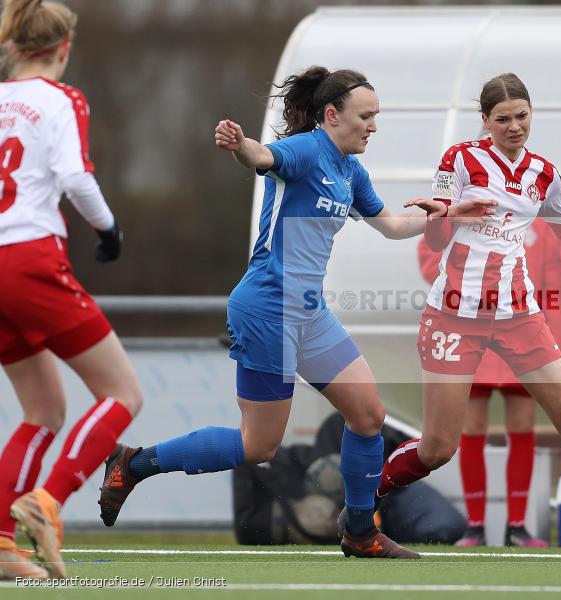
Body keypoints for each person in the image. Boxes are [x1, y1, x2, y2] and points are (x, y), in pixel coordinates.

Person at [96, 66, 494, 561]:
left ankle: (359, 532)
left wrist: (449, 213)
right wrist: (241, 144)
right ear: (332, 115)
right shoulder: (307, 149)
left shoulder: (351, 170)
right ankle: (134, 464)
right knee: (259, 446)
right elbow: (263, 156)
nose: (374, 126)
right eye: (366, 116)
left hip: (309, 312)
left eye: (377, 117)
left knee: (368, 415)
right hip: (266, 307)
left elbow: (389, 224)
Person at [375, 73, 561, 561]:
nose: (514, 126)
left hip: (520, 316)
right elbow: (433, 242)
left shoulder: (543, 172)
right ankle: (359, 506)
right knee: (436, 448)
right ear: (485, 122)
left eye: (522, 116)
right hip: (455, 315)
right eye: (502, 119)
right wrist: (446, 213)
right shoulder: (461, 159)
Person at [0, 0, 142, 580]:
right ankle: (47, 500)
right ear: (63, 46)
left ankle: (2, 547)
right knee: (123, 393)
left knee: (44, 408)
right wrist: (108, 229)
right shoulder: (62, 98)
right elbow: (75, 177)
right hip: (30, 258)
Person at [417, 216, 561, 547]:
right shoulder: (462, 213)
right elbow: (431, 258)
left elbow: (556, 284)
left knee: (521, 426)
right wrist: (472, 286)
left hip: (520, 333)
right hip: (470, 331)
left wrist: (552, 343)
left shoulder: (538, 225)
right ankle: (476, 526)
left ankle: (518, 527)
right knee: (470, 430)